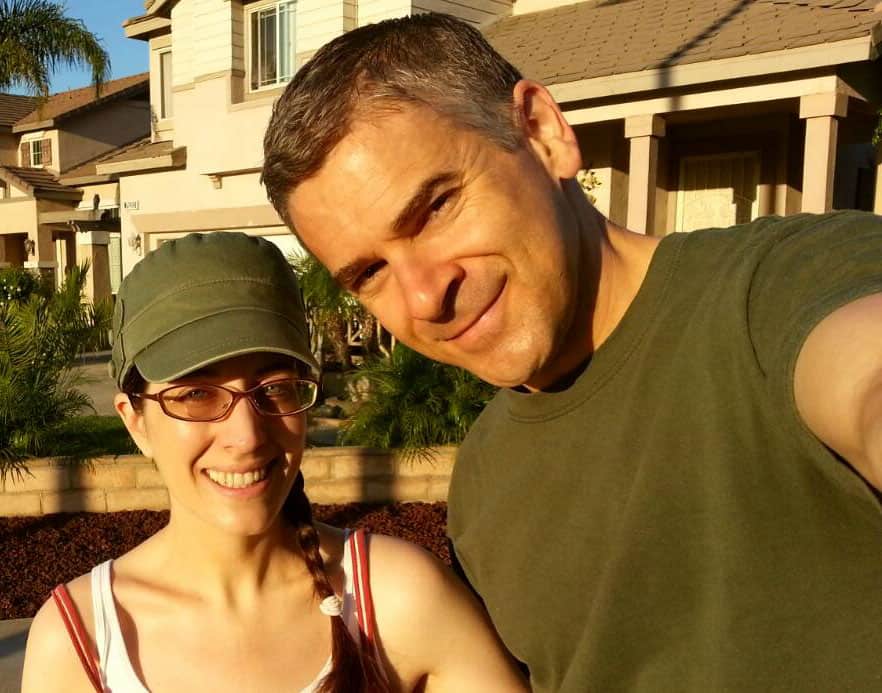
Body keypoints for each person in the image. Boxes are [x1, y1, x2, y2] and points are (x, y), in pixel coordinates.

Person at [261, 12, 882, 692]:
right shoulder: (485, 483)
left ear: (543, 133)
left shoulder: (777, 290)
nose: (425, 295)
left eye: (436, 207)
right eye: (369, 273)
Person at [20, 232, 527, 693]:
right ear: (135, 422)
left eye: (276, 388)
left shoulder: (397, 600)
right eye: (196, 393)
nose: (246, 435)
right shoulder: (81, 640)